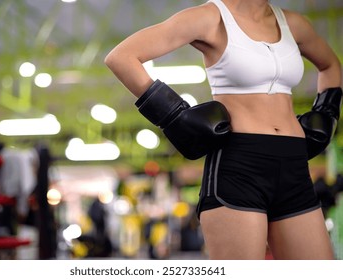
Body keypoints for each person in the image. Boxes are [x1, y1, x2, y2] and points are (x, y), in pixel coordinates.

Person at [104, 0, 342, 260]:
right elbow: (121, 57)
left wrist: (326, 112)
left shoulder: (294, 24)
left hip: (294, 166)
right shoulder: (210, 18)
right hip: (239, 166)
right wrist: (175, 115)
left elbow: (331, 66)